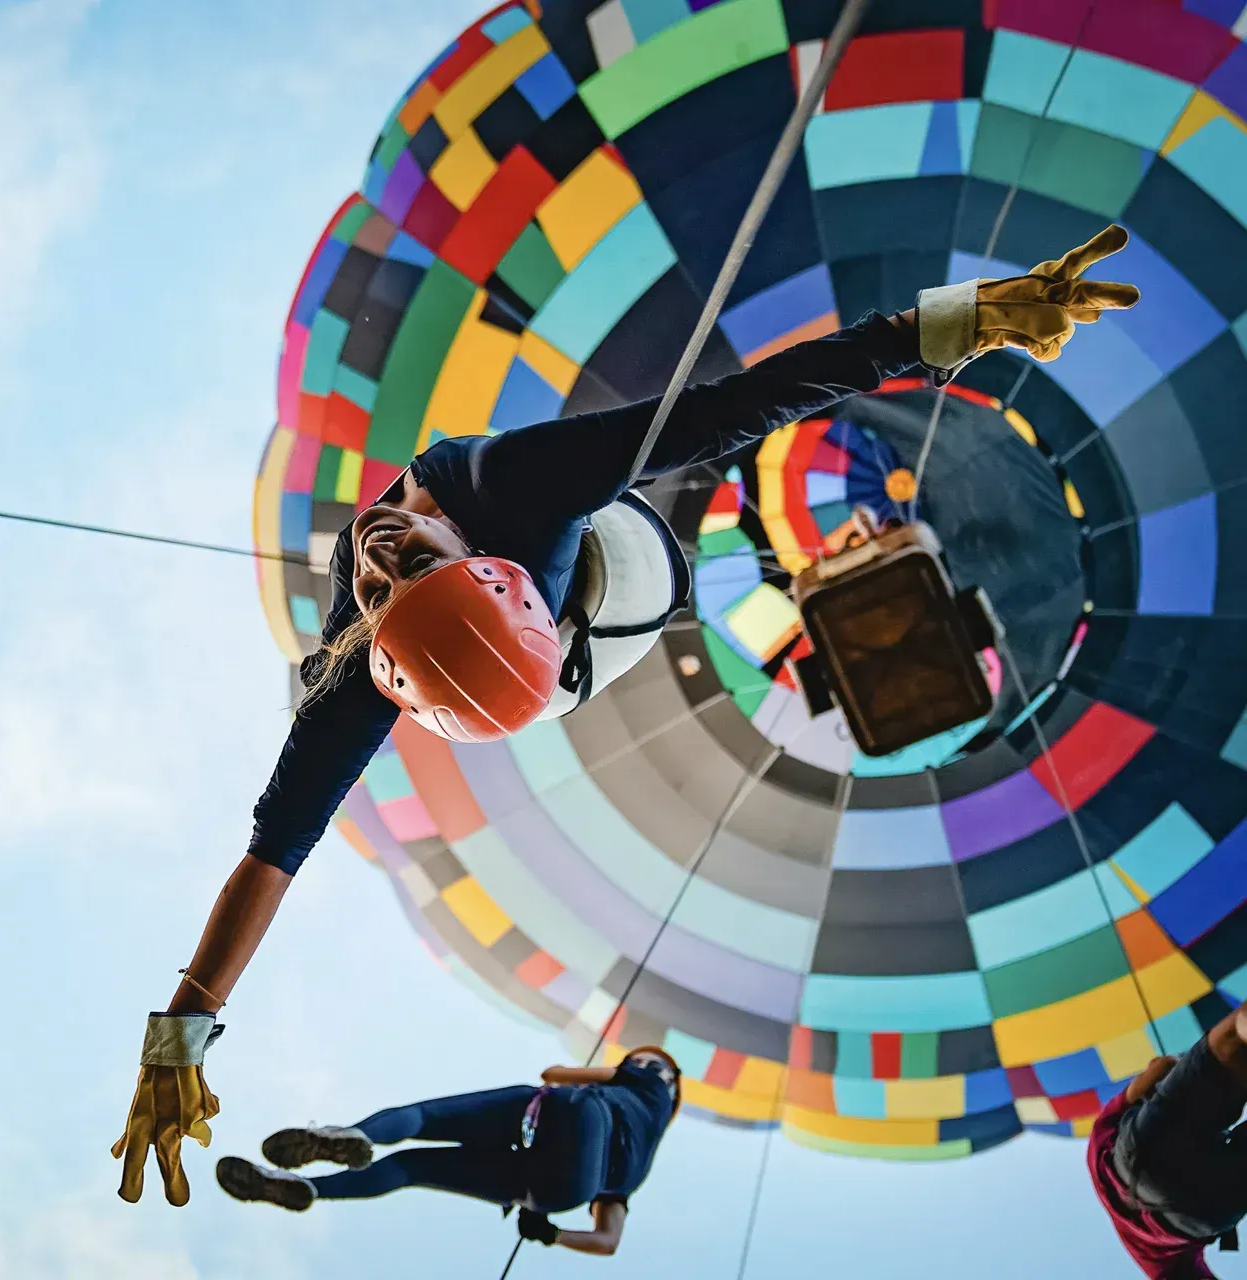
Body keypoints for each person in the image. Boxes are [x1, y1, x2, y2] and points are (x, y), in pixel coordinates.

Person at [113, 227, 1142, 1206]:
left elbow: (730, 411)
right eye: (388, 576)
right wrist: (949, 326)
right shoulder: (435, 582)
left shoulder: (445, 563)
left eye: (389, 576)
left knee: (420, 671)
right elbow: (277, 845)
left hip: (603, 595)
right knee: (383, 689)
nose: (374, 552)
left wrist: (179, 1036)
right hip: (598, 616)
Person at [216, 1048, 682, 1258]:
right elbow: (608, 1242)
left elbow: (554, 1073)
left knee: (423, 1118)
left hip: (579, 1115)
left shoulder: (648, 1078)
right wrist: (550, 1233)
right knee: (410, 1171)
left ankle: (353, 1135)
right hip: (564, 1190)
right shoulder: (635, 1175)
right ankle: (306, 1188)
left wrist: (579, 1071)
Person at [1089, 1004, 1247, 1278]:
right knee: (1231, 1040)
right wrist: (1173, 1068)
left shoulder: (1163, 1265)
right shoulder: (1098, 1143)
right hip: (1139, 1158)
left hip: (1201, 1216)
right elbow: (1161, 1067)